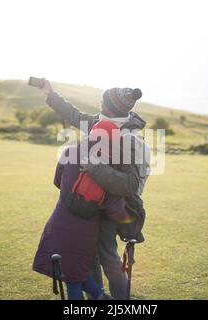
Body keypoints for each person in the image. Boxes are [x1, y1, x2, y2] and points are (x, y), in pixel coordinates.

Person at [36, 79, 150, 299]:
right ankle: (97, 298)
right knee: (88, 257)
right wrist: (50, 94)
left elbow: (131, 185)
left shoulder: (130, 140)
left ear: (110, 106)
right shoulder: (101, 121)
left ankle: (120, 300)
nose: (99, 104)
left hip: (112, 206)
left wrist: (95, 168)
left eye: (102, 101)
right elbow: (73, 115)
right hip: (90, 204)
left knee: (108, 256)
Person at [32, 120, 134, 300]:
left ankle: (98, 296)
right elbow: (115, 209)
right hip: (87, 230)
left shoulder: (70, 152)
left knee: (71, 272)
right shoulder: (110, 168)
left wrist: (69, 195)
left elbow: (57, 180)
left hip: (60, 221)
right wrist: (128, 224)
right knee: (75, 272)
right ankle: (100, 296)